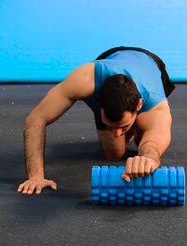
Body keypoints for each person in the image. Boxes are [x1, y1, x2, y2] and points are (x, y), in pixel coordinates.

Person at [17, 47, 176, 195]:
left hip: (150, 63)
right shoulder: (84, 80)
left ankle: (136, 126)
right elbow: (35, 119)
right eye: (111, 126)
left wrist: (147, 158)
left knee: (143, 137)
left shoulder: (155, 102)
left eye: (123, 127)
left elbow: (153, 145)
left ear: (139, 105)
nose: (116, 134)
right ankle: (122, 124)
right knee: (114, 155)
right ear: (98, 103)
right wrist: (36, 176)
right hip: (111, 56)